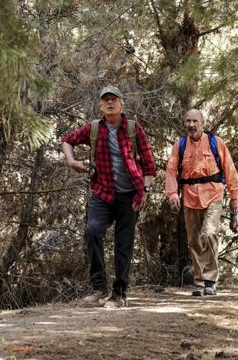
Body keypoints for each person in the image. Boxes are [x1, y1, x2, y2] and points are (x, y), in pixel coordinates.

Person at [61, 86, 156, 308]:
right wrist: (72, 161)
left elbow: (150, 165)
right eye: (106, 101)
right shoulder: (94, 129)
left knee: (124, 244)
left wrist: (145, 191)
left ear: (122, 104)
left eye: (114, 100)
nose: (110, 103)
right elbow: (67, 140)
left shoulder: (133, 129)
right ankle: (98, 289)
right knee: (93, 230)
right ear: (101, 106)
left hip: (130, 195)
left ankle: (119, 293)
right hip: (102, 193)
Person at [165, 109, 238, 296]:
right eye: (188, 121)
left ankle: (210, 280)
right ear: (184, 123)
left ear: (202, 123)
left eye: (195, 121)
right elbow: (171, 170)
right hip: (190, 197)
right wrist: (172, 194)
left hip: (213, 195)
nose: (191, 125)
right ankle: (199, 281)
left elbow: (229, 169)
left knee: (209, 233)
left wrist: (234, 196)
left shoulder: (216, 143)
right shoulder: (180, 145)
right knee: (193, 240)